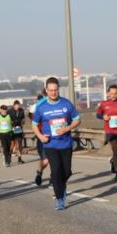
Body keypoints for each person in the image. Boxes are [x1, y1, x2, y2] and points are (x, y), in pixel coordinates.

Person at [31, 77, 81, 210]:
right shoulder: (41, 107)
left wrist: (67, 128)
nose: (53, 93)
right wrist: (40, 136)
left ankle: (61, 186)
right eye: (51, 90)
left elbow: (77, 120)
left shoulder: (66, 103)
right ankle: (59, 199)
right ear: (46, 91)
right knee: (56, 170)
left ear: (59, 89)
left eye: (56, 90)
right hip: (50, 145)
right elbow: (34, 125)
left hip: (66, 144)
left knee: (67, 172)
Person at [96, 84, 117, 181]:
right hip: (110, 131)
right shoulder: (104, 104)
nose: (113, 95)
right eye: (111, 93)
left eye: (115, 93)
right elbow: (98, 115)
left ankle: (112, 161)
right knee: (116, 150)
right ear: (108, 93)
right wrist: (103, 117)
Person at [29, 91, 50, 186]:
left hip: (55, 137)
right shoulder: (37, 107)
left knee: (54, 160)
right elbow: (32, 119)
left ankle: (54, 177)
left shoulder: (57, 104)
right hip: (42, 137)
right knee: (45, 161)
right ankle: (39, 172)